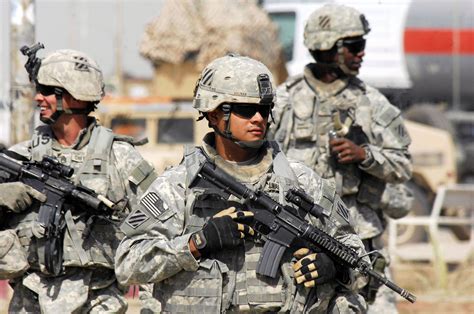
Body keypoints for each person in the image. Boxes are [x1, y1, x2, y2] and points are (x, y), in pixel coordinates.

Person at [115, 54, 369, 313]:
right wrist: (198, 242)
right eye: (246, 110)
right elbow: (127, 265)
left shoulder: (302, 182)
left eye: (265, 109)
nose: (258, 118)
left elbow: (359, 261)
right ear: (214, 114)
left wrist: (335, 266)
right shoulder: (178, 186)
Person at [269, 4, 413, 313]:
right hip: (300, 245)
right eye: (355, 46)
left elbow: (403, 165)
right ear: (328, 47)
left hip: (360, 247)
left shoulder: (372, 103)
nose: (361, 54)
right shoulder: (282, 101)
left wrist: (366, 156)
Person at [0, 47, 157, 313]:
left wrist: (151, 306)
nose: (39, 97)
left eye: (48, 90)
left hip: (99, 301)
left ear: (74, 95)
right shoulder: (20, 157)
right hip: (30, 300)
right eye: (39, 89)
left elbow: (157, 232)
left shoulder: (121, 158)